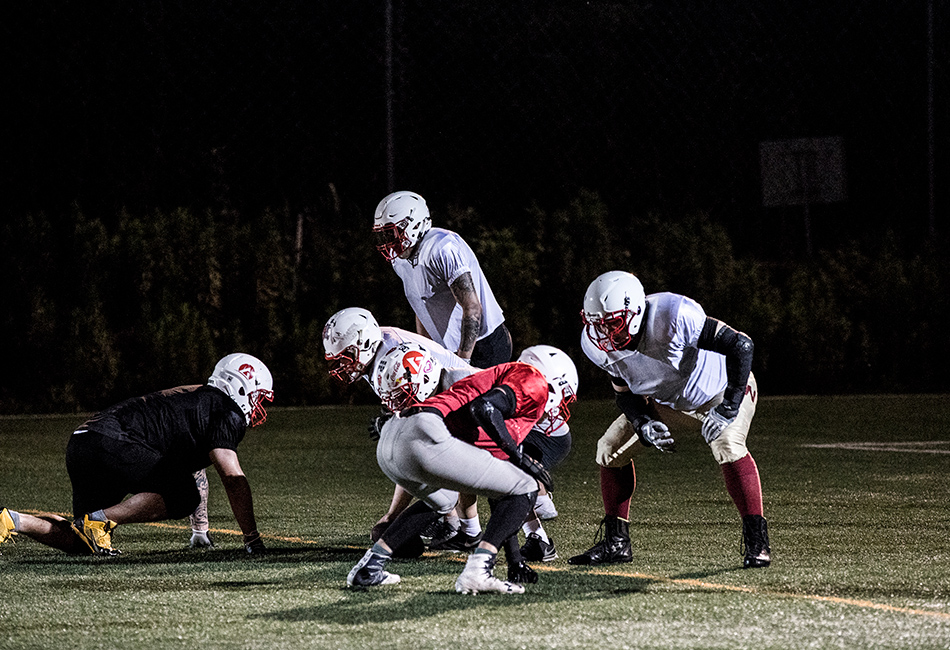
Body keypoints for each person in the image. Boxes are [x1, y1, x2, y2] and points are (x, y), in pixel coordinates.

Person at [569, 271, 771, 569]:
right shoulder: (596, 345)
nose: (603, 334)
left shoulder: (673, 315)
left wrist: (729, 405)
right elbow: (623, 392)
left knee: (727, 444)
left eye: (611, 323)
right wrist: (643, 422)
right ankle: (616, 543)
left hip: (721, 390)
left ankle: (757, 542)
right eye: (597, 325)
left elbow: (741, 345)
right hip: (668, 402)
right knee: (609, 448)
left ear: (635, 312)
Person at [346, 344, 570, 594]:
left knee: (445, 500)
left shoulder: (499, 385)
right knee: (526, 486)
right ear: (554, 383)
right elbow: (484, 408)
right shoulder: (532, 380)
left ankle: (369, 567)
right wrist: (520, 457)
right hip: (424, 432)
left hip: (394, 435)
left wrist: (515, 560)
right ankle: (477, 572)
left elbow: (500, 497)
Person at [0, 353, 274, 557]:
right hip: (113, 442)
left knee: (82, 540)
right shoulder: (225, 410)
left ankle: (10, 520)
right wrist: (252, 539)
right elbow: (232, 477)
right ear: (241, 386)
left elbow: (192, 467)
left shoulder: (196, 400)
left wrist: (200, 530)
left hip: (83, 442)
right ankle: (100, 521)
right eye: (258, 397)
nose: (258, 406)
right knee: (182, 496)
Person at [323, 307, 476, 554]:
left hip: (459, 403)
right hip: (440, 406)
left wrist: (393, 515)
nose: (344, 365)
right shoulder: (373, 352)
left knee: (416, 450)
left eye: (346, 357)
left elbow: (411, 437)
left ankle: (466, 528)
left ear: (362, 342)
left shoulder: (393, 352)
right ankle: (454, 522)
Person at [371, 190, 512, 368]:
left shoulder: (443, 248)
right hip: (451, 351)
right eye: (384, 235)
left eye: (392, 234)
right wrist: (427, 351)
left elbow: (472, 307)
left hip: (484, 344)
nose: (387, 241)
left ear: (414, 225)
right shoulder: (400, 261)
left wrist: (463, 362)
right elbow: (421, 306)